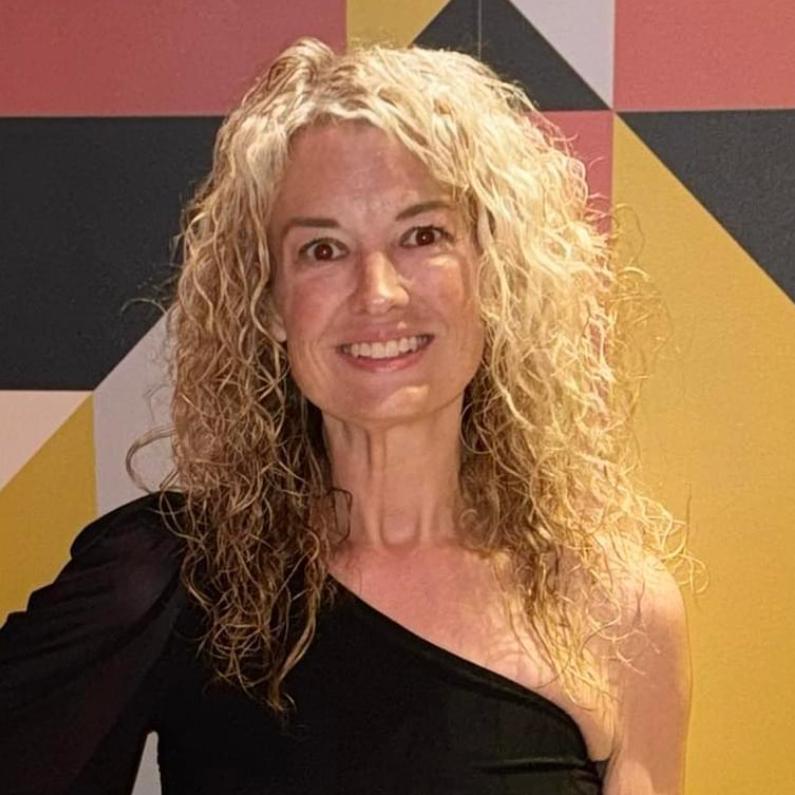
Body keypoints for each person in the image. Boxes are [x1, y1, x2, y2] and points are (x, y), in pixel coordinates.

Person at [0, 36, 694, 794]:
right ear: (269, 304)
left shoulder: (616, 609)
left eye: (422, 236)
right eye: (323, 249)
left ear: (494, 277)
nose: (378, 292)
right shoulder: (173, 578)